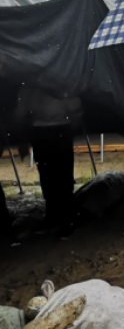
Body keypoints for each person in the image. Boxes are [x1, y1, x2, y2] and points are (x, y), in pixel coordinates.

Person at [14, 86, 82, 241]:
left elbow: (75, 113)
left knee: (63, 176)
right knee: (47, 177)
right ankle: (52, 218)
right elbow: (21, 113)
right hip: (39, 132)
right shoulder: (28, 88)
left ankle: (68, 220)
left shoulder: (59, 83)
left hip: (59, 130)